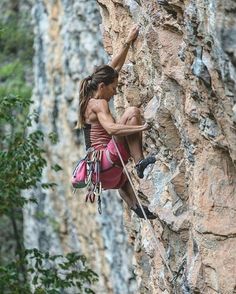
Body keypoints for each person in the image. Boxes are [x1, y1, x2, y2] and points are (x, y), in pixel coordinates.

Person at [76, 25, 157, 219]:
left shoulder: (89, 96)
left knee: (122, 179)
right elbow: (112, 129)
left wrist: (128, 42)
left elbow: (114, 68)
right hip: (106, 158)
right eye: (113, 88)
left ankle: (135, 205)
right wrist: (142, 127)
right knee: (131, 112)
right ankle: (139, 163)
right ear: (102, 87)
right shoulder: (99, 103)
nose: (115, 91)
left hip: (101, 172)